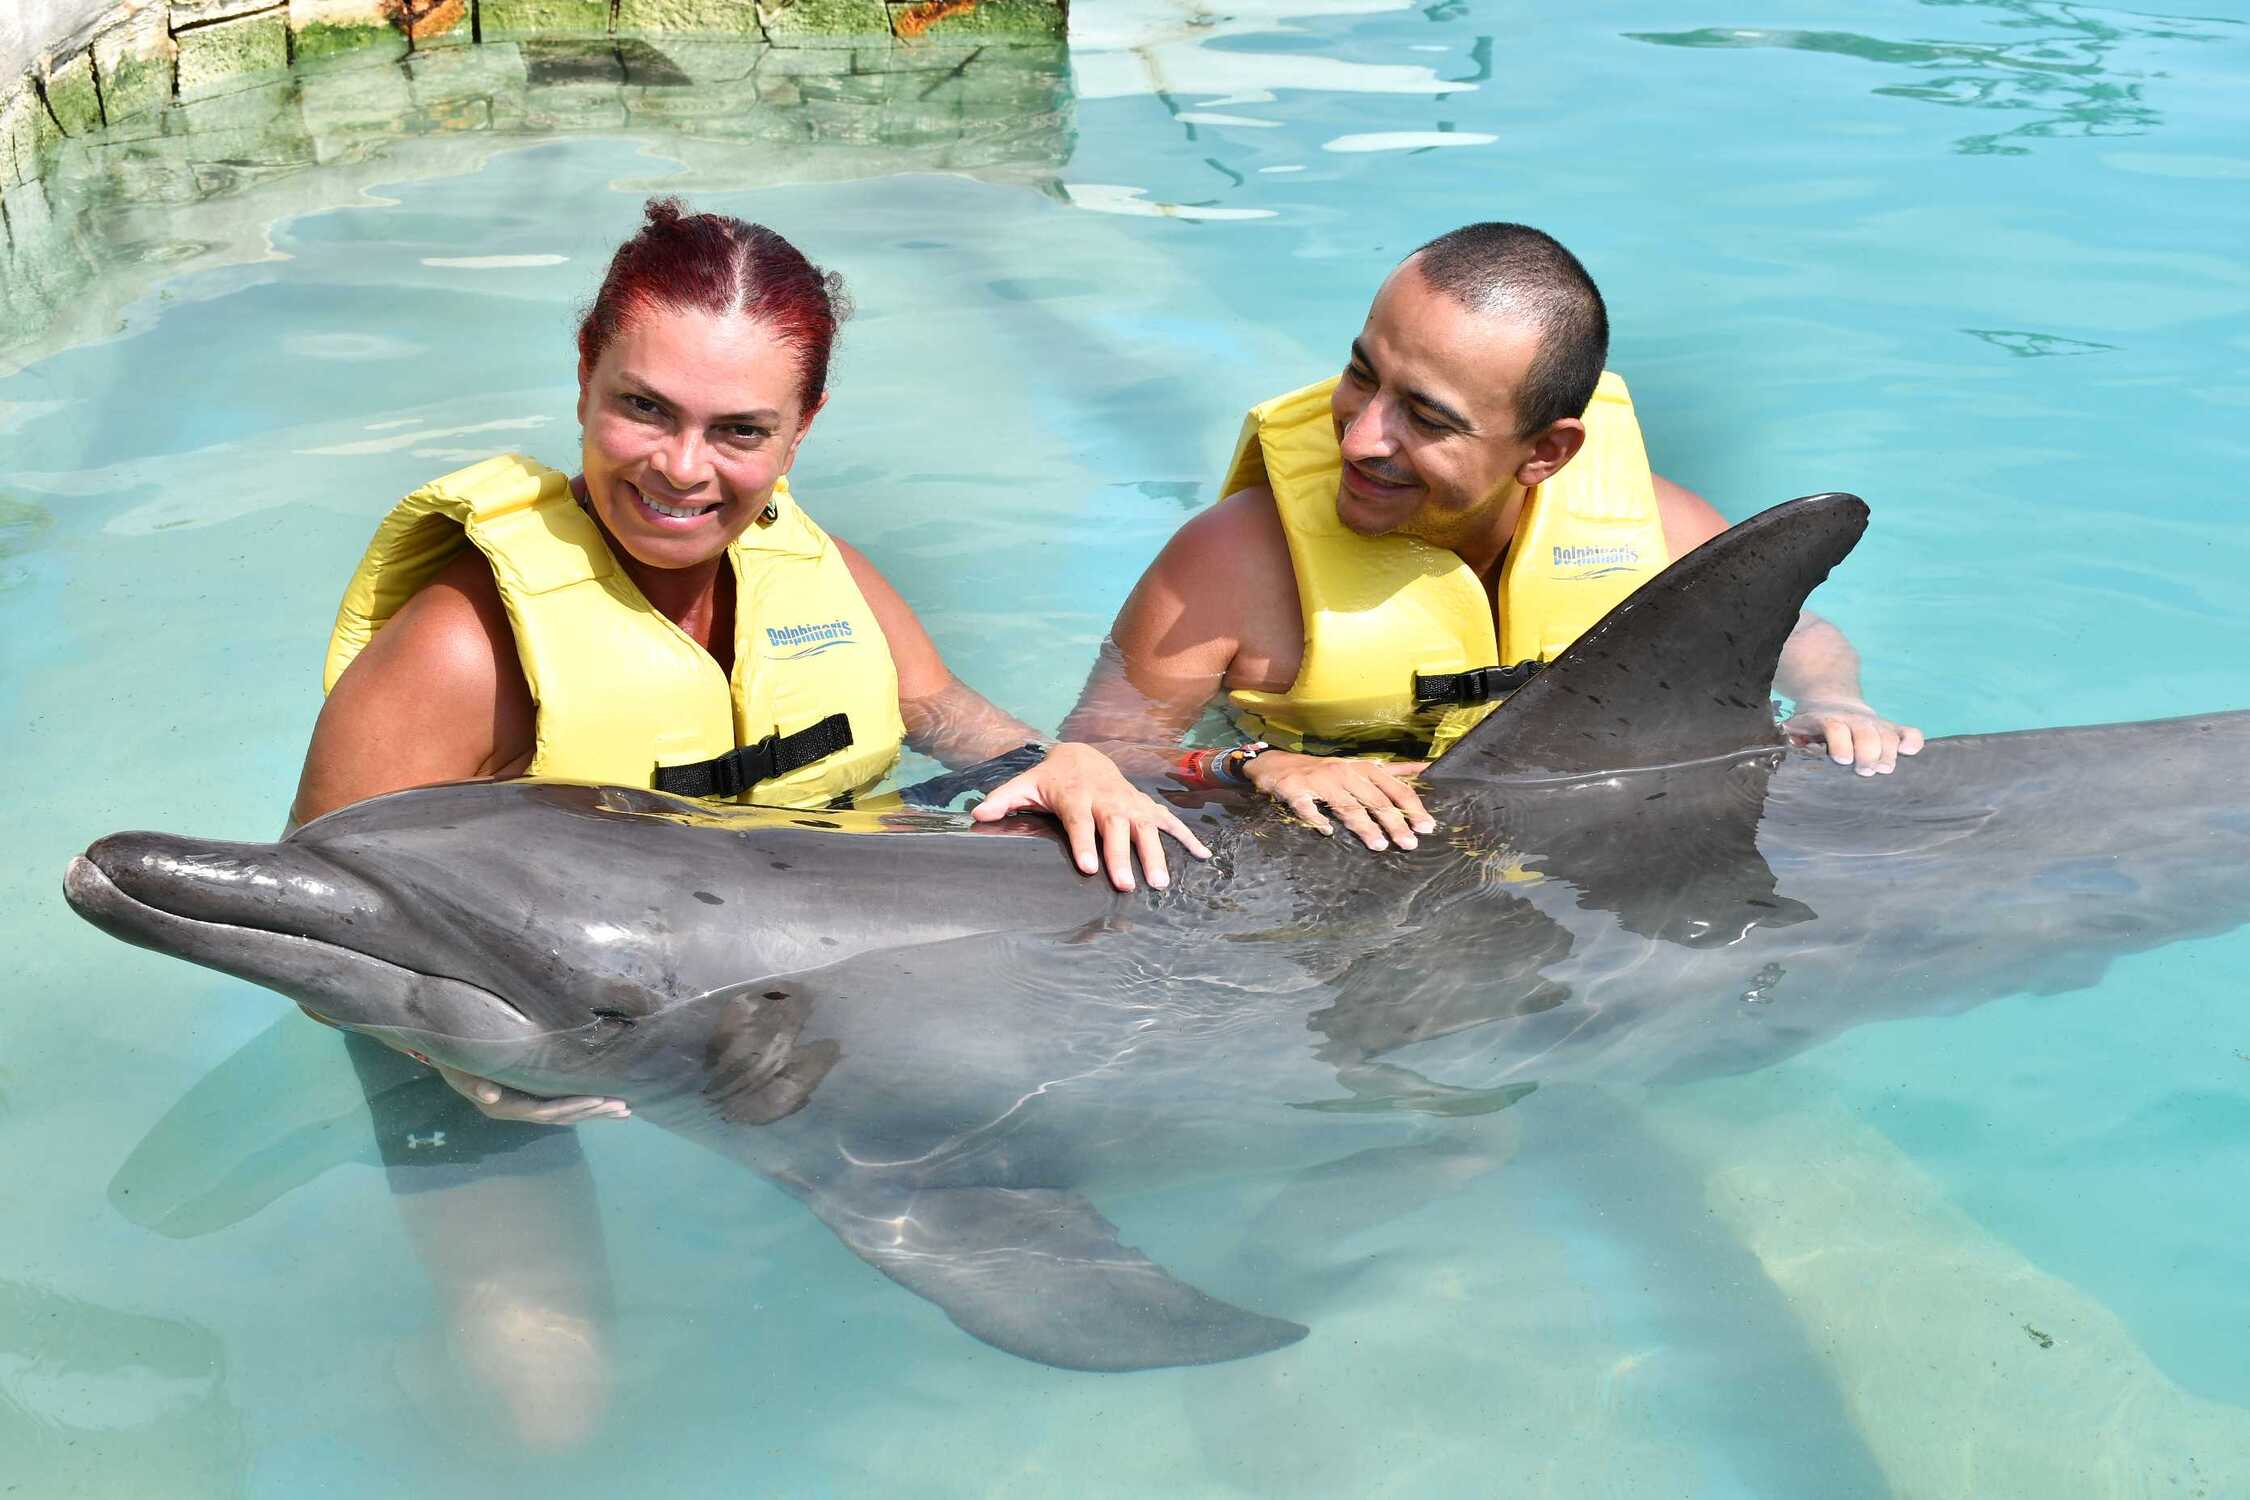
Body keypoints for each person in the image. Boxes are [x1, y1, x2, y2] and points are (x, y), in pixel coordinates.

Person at [287, 199, 1207, 1446]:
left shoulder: (810, 568)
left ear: (801, 431)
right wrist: (455, 1061)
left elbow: (934, 706)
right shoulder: (461, 647)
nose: (681, 469)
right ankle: (399, 1386)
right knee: (546, 1411)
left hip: (776, 1005)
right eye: (644, 408)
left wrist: (1062, 763)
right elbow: (328, 925)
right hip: (505, 1032)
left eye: (740, 432)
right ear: (582, 375)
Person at [1065, 222, 1922, 852]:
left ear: (1546, 452)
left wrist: (1833, 701)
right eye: (1363, 374)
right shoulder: (1231, 563)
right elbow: (1100, 755)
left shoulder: (1655, 531)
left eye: (1428, 419)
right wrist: (1256, 766)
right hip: (1324, 863)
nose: (1361, 436)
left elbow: (1798, 637)